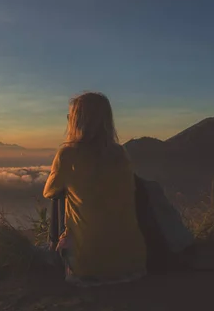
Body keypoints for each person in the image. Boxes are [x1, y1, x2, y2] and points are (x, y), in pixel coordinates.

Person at [43, 92, 147, 286]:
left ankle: (53, 249)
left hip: (87, 269)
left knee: (59, 195)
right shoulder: (120, 153)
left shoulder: (68, 153)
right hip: (133, 266)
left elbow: (49, 191)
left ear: (76, 121)